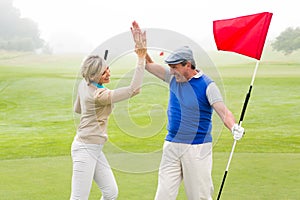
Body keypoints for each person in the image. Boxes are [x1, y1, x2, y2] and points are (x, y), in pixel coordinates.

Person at [131, 22, 244, 200]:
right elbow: (149, 65)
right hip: (171, 145)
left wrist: (233, 127)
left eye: (175, 67)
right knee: (163, 196)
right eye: (170, 67)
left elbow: (223, 112)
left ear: (188, 65)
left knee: (199, 196)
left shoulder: (207, 85)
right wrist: (141, 49)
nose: (171, 71)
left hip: (197, 149)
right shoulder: (173, 78)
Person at [70, 25, 147, 200]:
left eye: (107, 68)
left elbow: (78, 109)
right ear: (94, 75)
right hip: (85, 148)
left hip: (94, 148)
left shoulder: (86, 85)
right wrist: (141, 58)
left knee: (110, 193)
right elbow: (134, 89)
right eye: (104, 72)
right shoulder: (100, 95)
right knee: (78, 198)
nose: (108, 72)